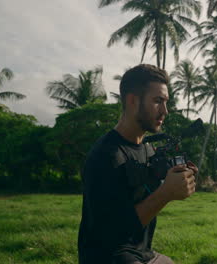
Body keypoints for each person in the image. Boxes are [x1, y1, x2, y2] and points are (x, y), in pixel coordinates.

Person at [78, 64, 198, 264]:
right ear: (133, 100)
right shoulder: (106, 156)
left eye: (166, 102)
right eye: (158, 101)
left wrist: (179, 177)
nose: (165, 111)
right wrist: (166, 193)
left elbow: (146, 191)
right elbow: (113, 234)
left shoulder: (147, 148)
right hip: (107, 256)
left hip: (142, 252)